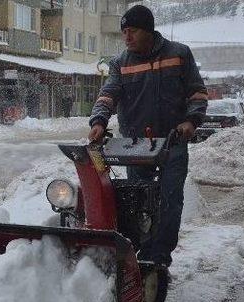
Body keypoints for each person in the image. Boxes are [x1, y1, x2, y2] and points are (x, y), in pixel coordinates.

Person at [88, 4, 208, 267]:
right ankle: (139, 253)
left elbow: (197, 94)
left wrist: (191, 120)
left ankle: (159, 260)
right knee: (137, 200)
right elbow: (108, 95)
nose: (126, 37)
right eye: (123, 32)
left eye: (132, 31)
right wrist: (99, 120)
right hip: (136, 145)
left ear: (149, 30)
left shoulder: (179, 54)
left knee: (169, 200)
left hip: (171, 142)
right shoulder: (121, 63)